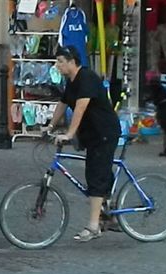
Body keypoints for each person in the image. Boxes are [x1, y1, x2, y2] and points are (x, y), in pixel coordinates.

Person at [47, 45, 121, 242]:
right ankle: (108, 214)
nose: (57, 65)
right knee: (98, 171)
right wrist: (50, 126)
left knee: (96, 175)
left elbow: (80, 107)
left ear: (72, 61)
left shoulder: (86, 78)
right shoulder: (71, 81)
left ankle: (93, 226)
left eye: (60, 61)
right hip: (92, 134)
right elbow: (63, 103)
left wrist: (69, 133)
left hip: (104, 132)